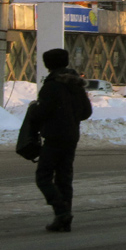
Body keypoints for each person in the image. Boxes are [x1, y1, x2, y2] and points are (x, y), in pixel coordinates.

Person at [35, 48, 92, 233]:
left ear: (48, 64)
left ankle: (61, 212)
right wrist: (71, 117)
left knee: (43, 177)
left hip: (54, 136)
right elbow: (86, 112)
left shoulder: (51, 85)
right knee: (64, 178)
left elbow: (42, 112)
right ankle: (64, 219)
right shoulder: (76, 84)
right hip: (71, 136)